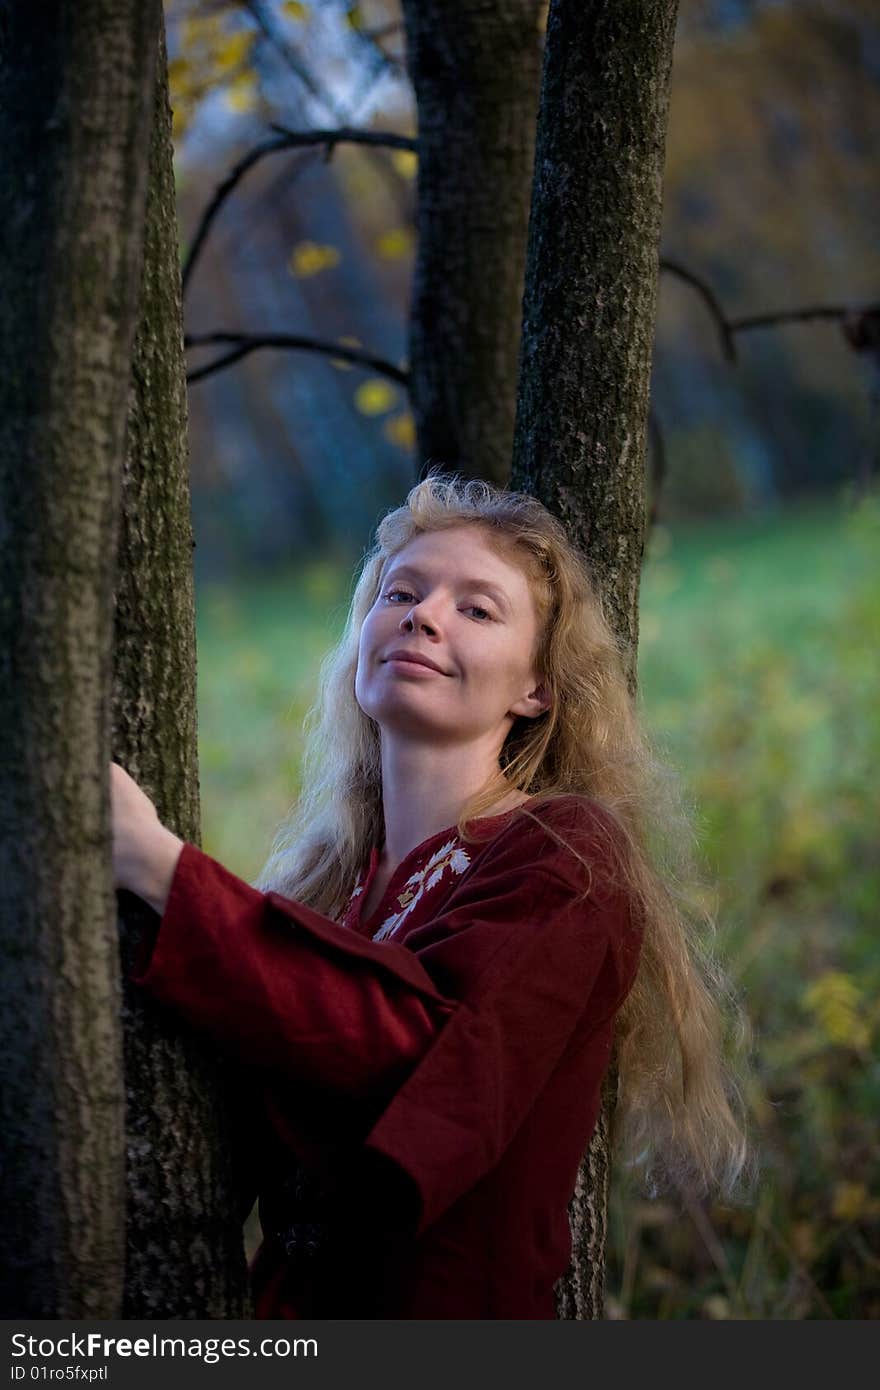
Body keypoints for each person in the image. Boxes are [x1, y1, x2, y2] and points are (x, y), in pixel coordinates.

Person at [111, 473, 751, 1319]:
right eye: (403, 593)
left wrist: (161, 869)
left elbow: (415, 1064)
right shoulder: (335, 884)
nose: (423, 615)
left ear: (537, 688)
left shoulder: (564, 858)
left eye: (478, 610)